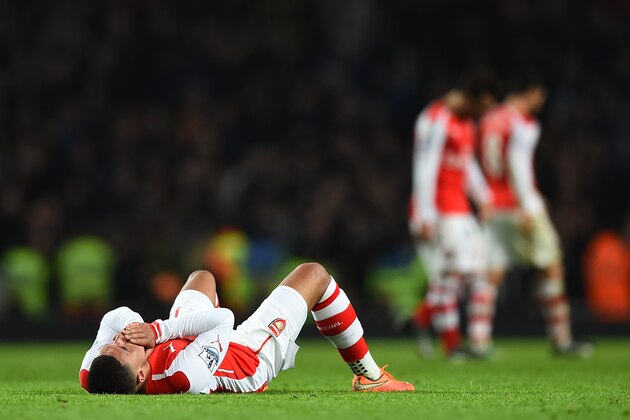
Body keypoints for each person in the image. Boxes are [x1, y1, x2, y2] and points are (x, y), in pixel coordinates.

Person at [79, 263, 415, 394]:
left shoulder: (93, 373)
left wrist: (136, 339)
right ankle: (370, 377)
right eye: (123, 347)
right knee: (314, 276)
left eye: (111, 344)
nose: (119, 339)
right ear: (140, 376)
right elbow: (223, 320)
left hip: (188, 340)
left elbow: (114, 317)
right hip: (243, 357)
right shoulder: (183, 376)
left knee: (202, 277)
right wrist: (157, 330)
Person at [478, 78, 593, 357]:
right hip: (520, 204)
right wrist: (526, 204)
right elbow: (516, 164)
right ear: (529, 92)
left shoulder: (490, 118)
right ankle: (561, 338)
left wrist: (486, 198)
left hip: (494, 205)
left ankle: (479, 341)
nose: (540, 103)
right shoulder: (521, 122)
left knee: (492, 272)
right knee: (551, 266)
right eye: (540, 96)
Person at [408, 72, 500, 359]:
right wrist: (425, 215)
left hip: (459, 207)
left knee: (470, 273)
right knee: (455, 273)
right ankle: (453, 346)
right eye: (482, 106)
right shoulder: (435, 119)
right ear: (469, 98)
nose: (484, 113)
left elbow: (466, 161)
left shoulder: (465, 121)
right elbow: (425, 167)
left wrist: (483, 195)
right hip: (440, 210)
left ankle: (424, 318)